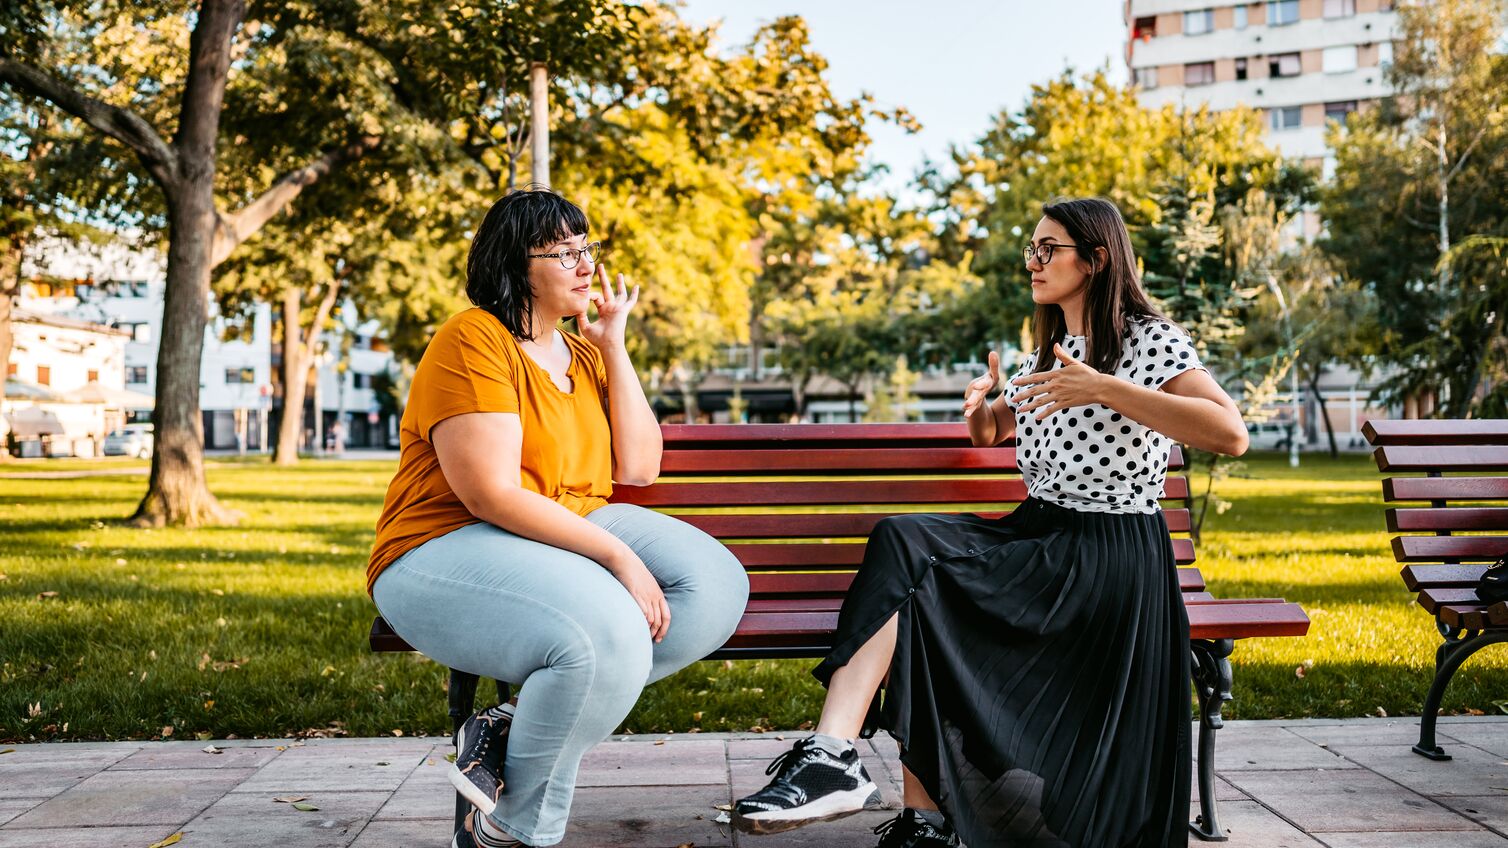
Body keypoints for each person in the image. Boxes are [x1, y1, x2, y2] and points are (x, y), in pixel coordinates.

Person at [732, 197, 1249, 848]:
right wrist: (982, 408)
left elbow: (1230, 434)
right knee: (911, 563)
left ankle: (843, 768)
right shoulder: (1051, 352)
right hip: (1041, 534)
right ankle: (884, 795)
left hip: (1108, 554)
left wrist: (1105, 388)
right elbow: (996, 430)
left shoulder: (1148, 339)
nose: (1033, 261)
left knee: (915, 562)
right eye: (1031, 249)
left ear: (1096, 259)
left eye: (1048, 249)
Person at [366, 188, 749, 848]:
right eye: (564, 252)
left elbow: (641, 466)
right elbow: (490, 493)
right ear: (515, 265)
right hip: (443, 543)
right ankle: (516, 832)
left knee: (715, 585)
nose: (586, 264)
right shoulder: (474, 338)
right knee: (606, 636)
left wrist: (615, 346)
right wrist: (617, 556)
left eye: (586, 248)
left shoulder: (586, 355)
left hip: (567, 525)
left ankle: (506, 729)